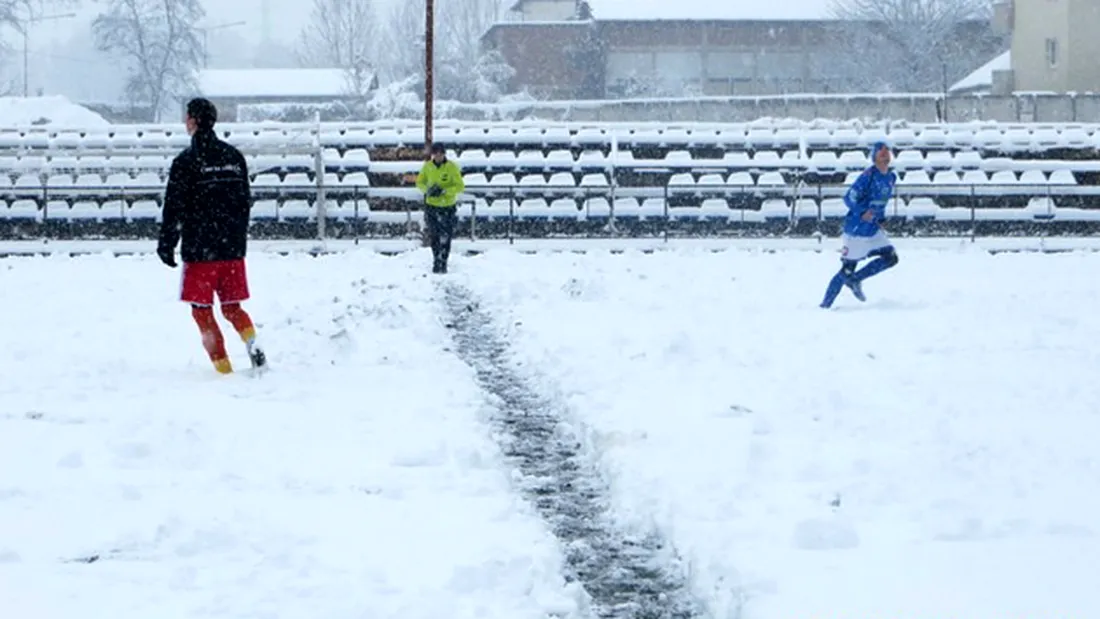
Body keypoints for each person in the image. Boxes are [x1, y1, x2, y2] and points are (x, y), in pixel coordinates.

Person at [157, 97, 267, 374]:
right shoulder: (233, 157)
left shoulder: (186, 161)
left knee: (202, 309)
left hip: (200, 249)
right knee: (232, 307)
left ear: (192, 121)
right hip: (232, 248)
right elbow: (245, 201)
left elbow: (174, 206)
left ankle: (223, 366)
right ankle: (252, 341)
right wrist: (237, 238)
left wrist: (167, 243)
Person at [820, 141, 900, 308]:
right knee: (846, 270)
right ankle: (825, 306)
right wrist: (862, 211)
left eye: (888, 150)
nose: (886, 153)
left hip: (873, 229)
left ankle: (855, 280)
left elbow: (880, 203)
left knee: (891, 258)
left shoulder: (891, 178)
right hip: (857, 230)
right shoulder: (868, 176)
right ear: (874, 156)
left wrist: (881, 219)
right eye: (881, 151)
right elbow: (849, 198)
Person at [415, 143, 465, 274]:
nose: (438, 155)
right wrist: (428, 190)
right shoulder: (427, 167)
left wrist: (445, 191)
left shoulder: (452, 167)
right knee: (434, 235)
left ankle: (444, 260)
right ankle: (436, 260)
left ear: (444, 154)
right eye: (435, 153)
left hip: (447, 206)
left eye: (440, 153)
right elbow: (419, 182)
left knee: (447, 235)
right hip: (432, 206)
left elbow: (460, 186)